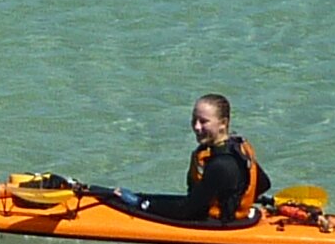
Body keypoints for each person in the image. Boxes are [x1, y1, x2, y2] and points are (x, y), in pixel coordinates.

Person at [115, 94, 270, 225]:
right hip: (227, 216)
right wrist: (237, 197)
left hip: (220, 224)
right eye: (194, 120)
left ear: (223, 123)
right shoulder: (237, 148)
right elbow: (263, 183)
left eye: (203, 121)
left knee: (147, 203)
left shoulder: (222, 165)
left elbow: (187, 210)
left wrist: (141, 204)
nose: (196, 127)